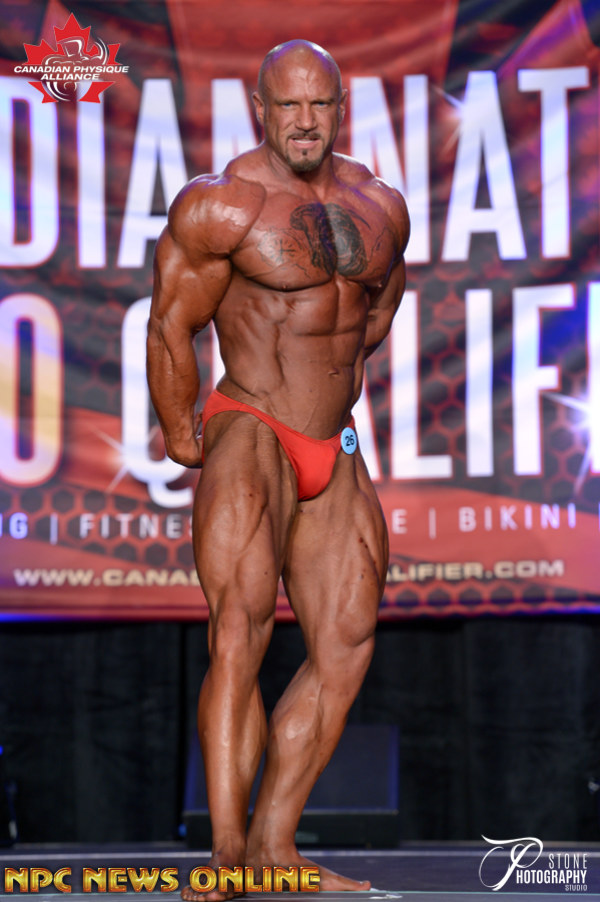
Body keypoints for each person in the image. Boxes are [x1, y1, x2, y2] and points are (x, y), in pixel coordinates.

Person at [147, 39, 409, 901]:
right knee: (240, 630)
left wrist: (332, 383)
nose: (304, 121)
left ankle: (274, 848)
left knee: (347, 644)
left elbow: (379, 304)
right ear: (260, 108)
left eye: (319, 105)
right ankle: (225, 860)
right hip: (251, 424)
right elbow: (171, 322)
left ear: (341, 108)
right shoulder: (221, 205)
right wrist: (184, 433)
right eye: (288, 105)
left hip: (333, 439)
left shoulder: (379, 204)